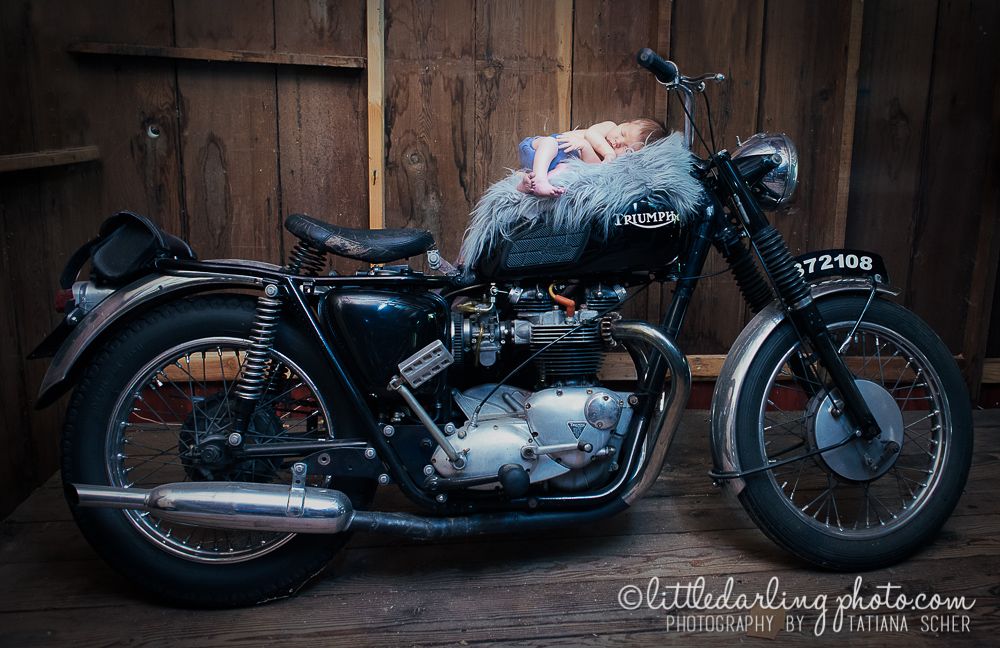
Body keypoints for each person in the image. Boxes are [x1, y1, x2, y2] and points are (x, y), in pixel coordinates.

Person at [516, 118, 666, 197]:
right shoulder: (609, 127)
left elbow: (591, 167)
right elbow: (591, 134)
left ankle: (527, 184)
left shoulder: (612, 162)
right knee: (550, 143)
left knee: (566, 170)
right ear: (624, 123)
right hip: (541, 148)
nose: (618, 142)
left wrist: (592, 153)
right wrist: (609, 153)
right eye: (622, 133)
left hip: (558, 163)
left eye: (626, 148)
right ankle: (540, 180)